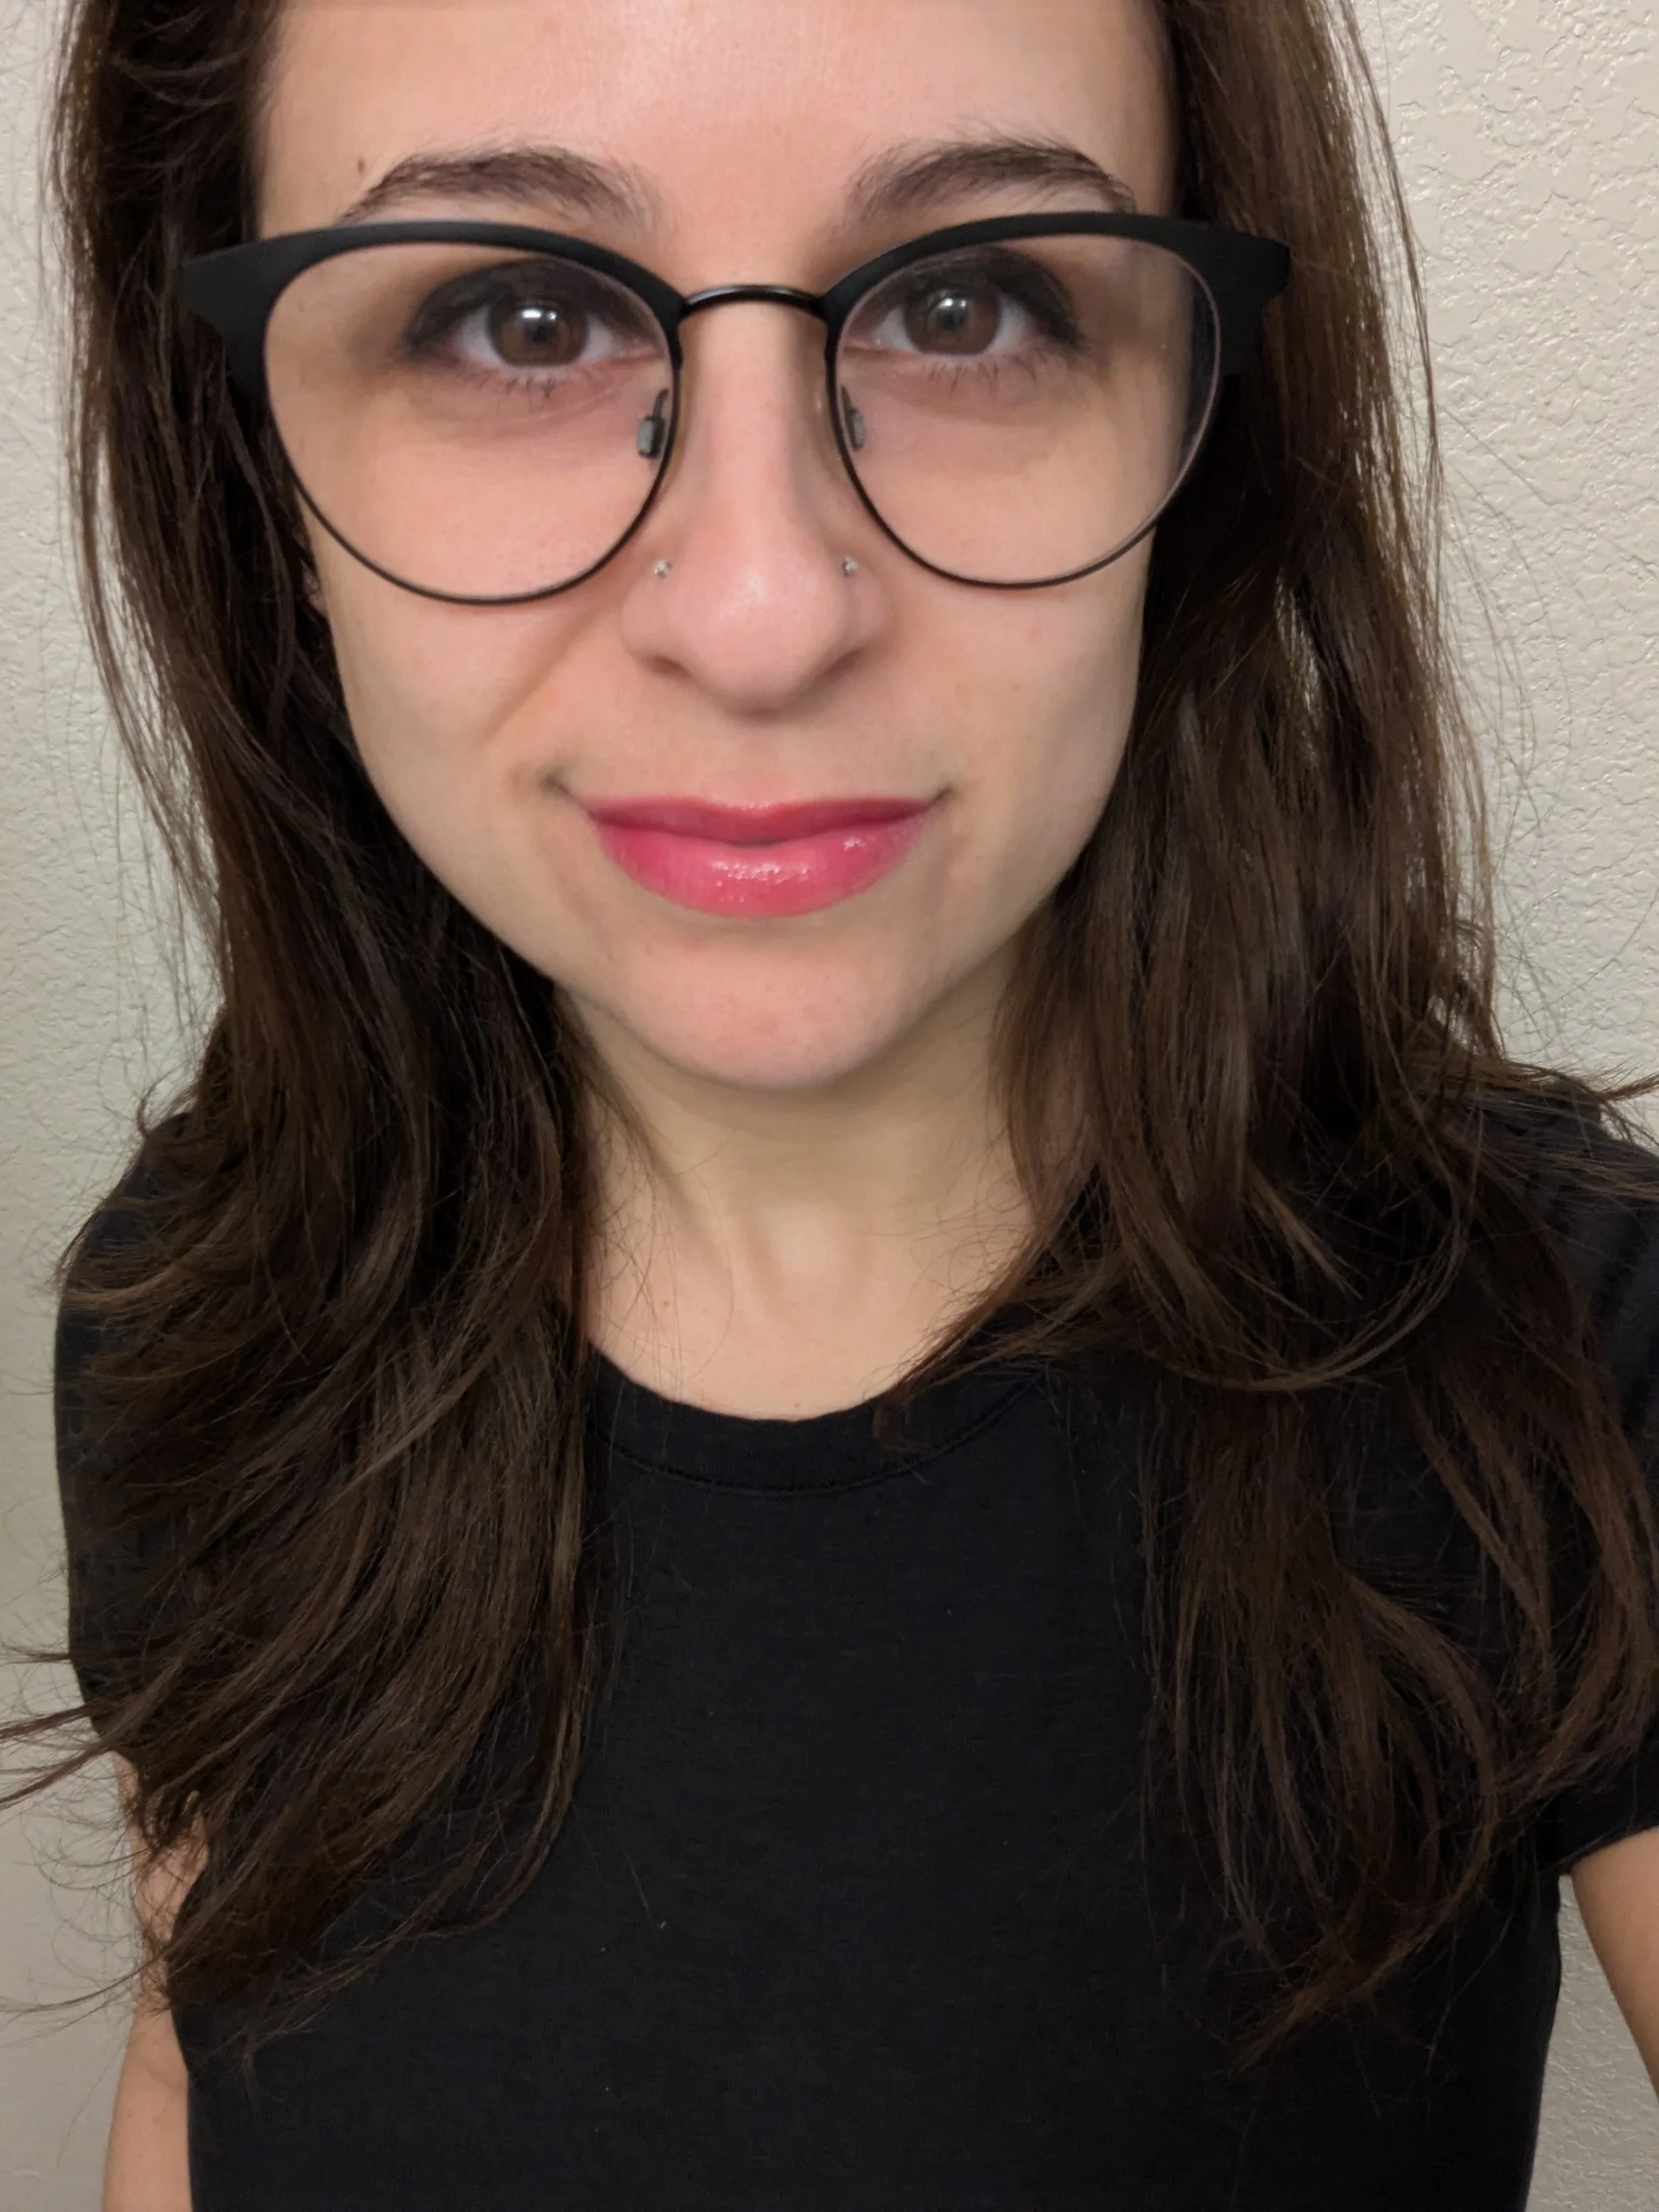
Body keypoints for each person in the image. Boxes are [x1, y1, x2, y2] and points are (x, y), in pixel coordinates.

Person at [14, 0, 1659, 2205]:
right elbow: (192, 2063)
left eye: (966, 307)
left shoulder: (1561, 1349)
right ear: (252, 462)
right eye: (518, 320)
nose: (765, 613)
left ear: (1205, 418)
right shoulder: (196, 1301)